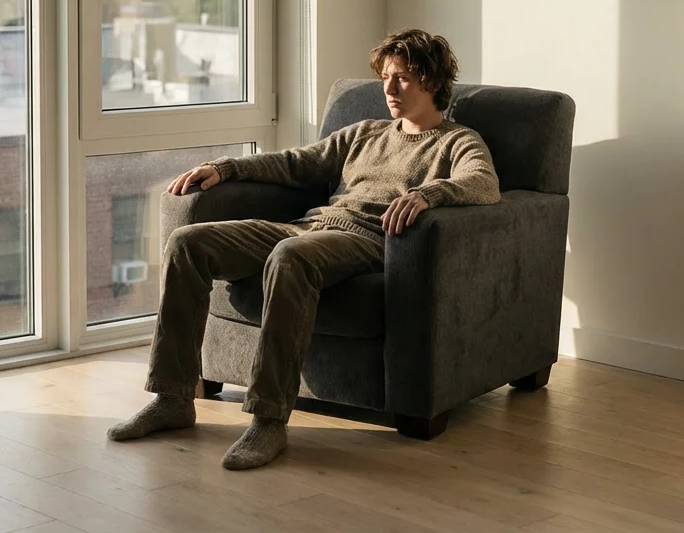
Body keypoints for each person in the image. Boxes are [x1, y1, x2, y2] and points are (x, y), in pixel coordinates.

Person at [107, 29, 501, 470]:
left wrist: (431, 195)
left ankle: (268, 420)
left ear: (431, 81)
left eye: (403, 78)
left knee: (289, 258)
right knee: (187, 243)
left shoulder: (457, 141)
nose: (389, 89)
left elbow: (484, 183)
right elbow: (296, 162)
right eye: (386, 77)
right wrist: (225, 167)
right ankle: (172, 398)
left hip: (364, 240)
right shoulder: (365, 133)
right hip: (304, 228)